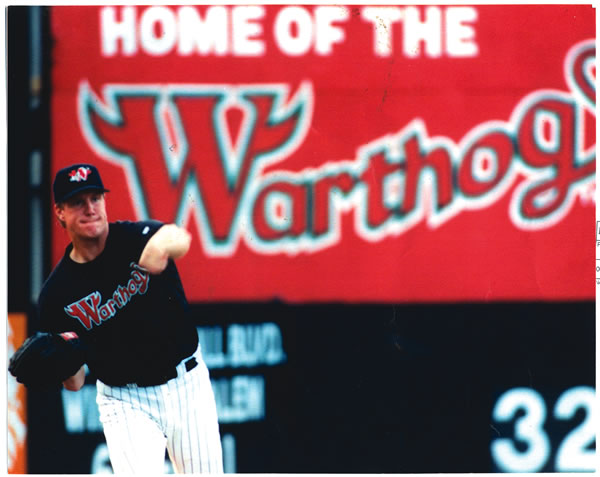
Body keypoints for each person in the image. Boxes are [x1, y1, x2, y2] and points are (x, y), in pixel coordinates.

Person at [37, 163, 223, 474]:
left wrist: (158, 248)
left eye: (95, 198)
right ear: (59, 213)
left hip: (187, 384)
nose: (90, 208)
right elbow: (76, 381)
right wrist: (62, 365)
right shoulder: (56, 295)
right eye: (77, 202)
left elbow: (177, 237)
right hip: (125, 400)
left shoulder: (134, 238)